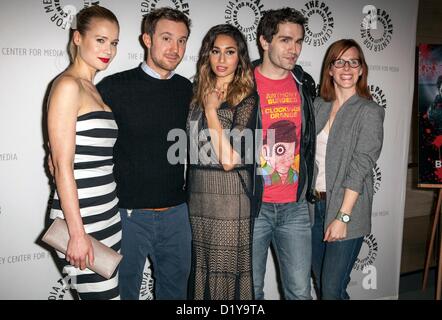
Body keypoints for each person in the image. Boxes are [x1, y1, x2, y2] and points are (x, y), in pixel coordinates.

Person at [96, 7, 193, 300]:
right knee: (123, 293)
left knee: (176, 295)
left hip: (177, 213)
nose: (175, 48)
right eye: (166, 38)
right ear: (146, 40)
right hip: (127, 215)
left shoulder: (186, 89)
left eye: (182, 40)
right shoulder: (113, 87)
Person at [47, 5, 121, 300]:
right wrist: (77, 234)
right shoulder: (67, 85)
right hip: (81, 220)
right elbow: (62, 166)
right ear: (78, 38)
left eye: (114, 42)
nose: (109, 50)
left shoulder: (93, 88)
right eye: (100, 40)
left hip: (107, 215)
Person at [186, 24, 258, 300]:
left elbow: (229, 160)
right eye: (216, 52)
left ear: (240, 57)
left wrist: (211, 112)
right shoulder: (195, 93)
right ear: (207, 55)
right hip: (197, 198)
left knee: (224, 276)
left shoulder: (245, 98)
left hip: (230, 198)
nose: (222, 60)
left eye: (230, 52)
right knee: (201, 271)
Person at [310, 39, 384, 300]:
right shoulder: (318, 105)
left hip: (345, 209)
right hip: (312, 208)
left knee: (331, 289)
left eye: (354, 62)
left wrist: (342, 218)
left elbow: (362, 165)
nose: (346, 67)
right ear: (330, 69)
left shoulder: (369, 111)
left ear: (362, 69)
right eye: (339, 61)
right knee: (321, 281)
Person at [251, 7, 317, 300]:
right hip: (254, 208)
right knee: (250, 292)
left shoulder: (304, 83)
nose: (294, 49)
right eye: (285, 40)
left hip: (295, 207)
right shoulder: (243, 84)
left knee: (300, 292)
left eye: (299, 41)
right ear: (265, 42)